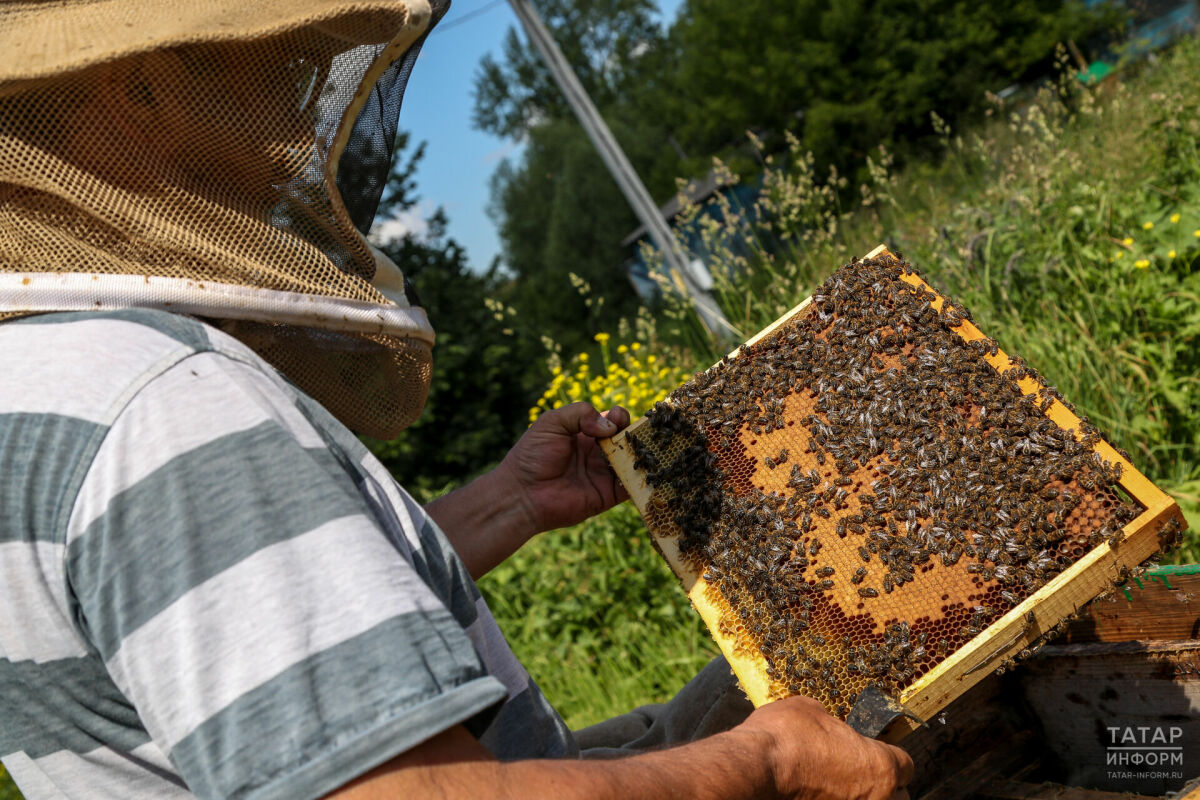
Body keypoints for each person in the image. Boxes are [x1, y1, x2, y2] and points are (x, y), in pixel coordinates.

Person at [0, 1, 913, 799]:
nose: (298, 113)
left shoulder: (39, 389)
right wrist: (766, 766)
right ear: (139, 91)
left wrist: (507, 503)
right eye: (269, 61)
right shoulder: (165, 401)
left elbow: (236, 637)